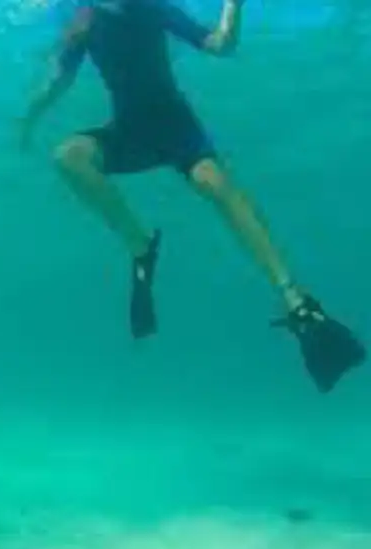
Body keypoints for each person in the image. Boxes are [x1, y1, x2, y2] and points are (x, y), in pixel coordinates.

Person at [18, 0, 365, 393]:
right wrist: (31, 118)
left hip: (175, 126)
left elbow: (220, 44)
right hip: (130, 132)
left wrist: (233, 5)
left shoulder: (149, 7)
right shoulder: (82, 20)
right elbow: (59, 79)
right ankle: (140, 245)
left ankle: (296, 301)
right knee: (68, 157)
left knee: (214, 185)